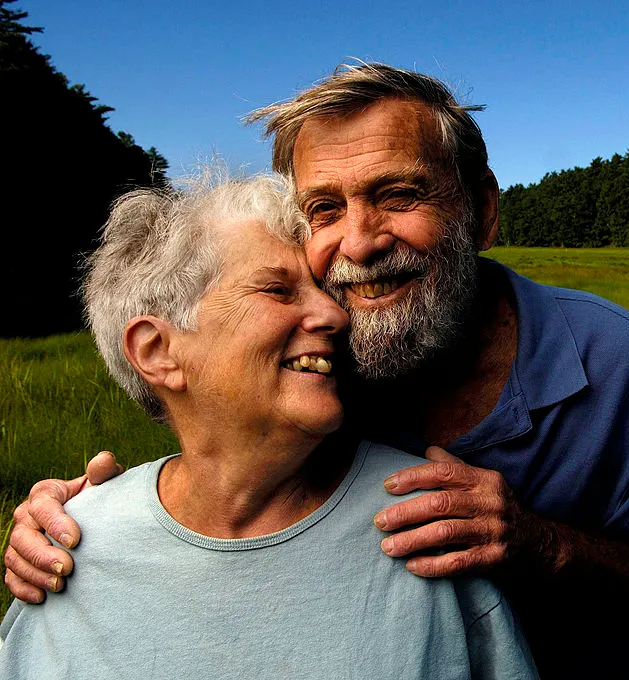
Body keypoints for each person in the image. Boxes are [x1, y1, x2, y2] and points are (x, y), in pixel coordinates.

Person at [5, 63, 629, 678]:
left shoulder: (612, 359)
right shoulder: (321, 358)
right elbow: (222, 450)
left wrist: (539, 545)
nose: (358, 243)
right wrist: (86, 520)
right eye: (324, 209)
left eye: (399, 195)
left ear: (481, 211)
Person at [0, 174, 537, 679]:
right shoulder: (64, 547)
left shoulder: (433, 519)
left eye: (324, 292)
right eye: (278, 291)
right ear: (157, 351)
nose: (335, 316)